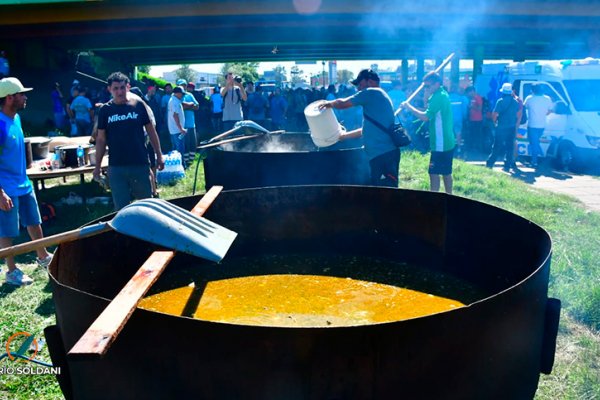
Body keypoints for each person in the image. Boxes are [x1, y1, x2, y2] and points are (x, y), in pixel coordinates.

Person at [0, 77, 52, 286]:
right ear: (10, 97)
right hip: (6, 188)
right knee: (6, 230)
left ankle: (43, 256)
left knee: (34, 220)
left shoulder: (16, 119)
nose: (25, 97)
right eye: (21, 94)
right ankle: (11, 270)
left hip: (23, 183)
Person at [93, 72, 164, 211]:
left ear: (128, 87)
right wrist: (97, 166)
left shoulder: (138, 105)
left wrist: (159, 155)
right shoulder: (105, 111)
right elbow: (101, 139)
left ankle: (147, 232)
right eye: (115, 88)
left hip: (139, 164)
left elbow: (151, 131)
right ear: (110, 89)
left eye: (122, 87)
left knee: (146, 207)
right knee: (121, 210)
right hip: (116, 166)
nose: (119, 92)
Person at [319, 69, 399, 187]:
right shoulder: (378, 97)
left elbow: (343, 104)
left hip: (383, 154)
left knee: (386, 192)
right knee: (381, 190)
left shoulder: (372, 92)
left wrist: (329, 104)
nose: (358, 89)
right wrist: (343, 136)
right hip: (382, 154)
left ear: (370, 81)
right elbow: (366, 130)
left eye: (360, 84)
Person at [401, 72, 455, 194]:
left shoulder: (438, 97)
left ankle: (435, 198)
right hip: (445, 140)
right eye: (424, 86)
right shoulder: (440, 94)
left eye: (428, 86)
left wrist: (409, 107)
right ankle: (449, 196)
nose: (426, 88)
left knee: (434, 172)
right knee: (446, 172)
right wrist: (424, 98)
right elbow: (429, 110)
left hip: (441, 142)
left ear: (437, 84)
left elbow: (425, 117)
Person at [486, 83, 521, 172]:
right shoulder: (515, 102)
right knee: (510, 147)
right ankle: (507, 165)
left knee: (497, 146)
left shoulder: (500, 101)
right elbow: (517, 114)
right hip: (512, 127)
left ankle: (490, 163)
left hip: (501, 127)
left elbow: (494, 114)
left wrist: (495, 122)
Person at [523, 83, 553, 168]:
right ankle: (538, 159)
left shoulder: (529, 98)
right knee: (535, 143)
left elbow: (524, 107)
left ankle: (535, 162)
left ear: (532, 90)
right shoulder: (547, 99)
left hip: (532, 125)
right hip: (542, 125)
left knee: (534, 143)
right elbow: (550, 110)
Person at [167, 85, 187, 165]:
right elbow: (175, 115)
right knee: (179, 149)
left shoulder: (174, 100)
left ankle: (177, 165)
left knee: (176, 148)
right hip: (177, 130)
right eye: (181, 93)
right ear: (177, 93)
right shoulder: (174, 101)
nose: (182, 95)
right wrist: (181, 128)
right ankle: (181, 165)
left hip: (175, 129)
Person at [465, 86, 483, 154]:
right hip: (472, 119)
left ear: (472, 91)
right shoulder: (471, 98)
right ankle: (472, 148)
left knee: (476, 135)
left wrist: (472, 107)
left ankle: (477, 149)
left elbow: (479, 108)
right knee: (472, 134)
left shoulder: (478, 98)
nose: (468, 94)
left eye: (469, 92)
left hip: (477, 120)